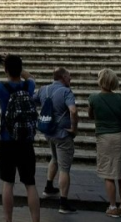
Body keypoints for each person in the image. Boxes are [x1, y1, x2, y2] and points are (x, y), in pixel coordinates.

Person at [0, 53, 40, 222]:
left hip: (7, 141)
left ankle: (8, 220)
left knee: (8, 183)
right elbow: (31, 77)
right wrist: (19, 68)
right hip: (26, 142)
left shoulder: (2, 88)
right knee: (30, 184)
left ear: (5, 70)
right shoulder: (29, 86)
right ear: (20, 69)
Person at [88, 68, 121, 218]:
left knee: (109, 174)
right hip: (120, 136)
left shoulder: (93, 98)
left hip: (104, 136)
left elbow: (91, 115)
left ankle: (112, 206)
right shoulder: (120, 98)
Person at [36, 67, 78, 214]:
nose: (70, 79)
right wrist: (74, 128)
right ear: (62, 77)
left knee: (54, 158)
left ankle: (48, 187)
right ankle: (63, 203)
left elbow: (32, 101)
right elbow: (73, 110)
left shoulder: (43, 90)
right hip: (62, 134)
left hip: (49, 132)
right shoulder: (66, 92)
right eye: (69, 76)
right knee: (64, 168)